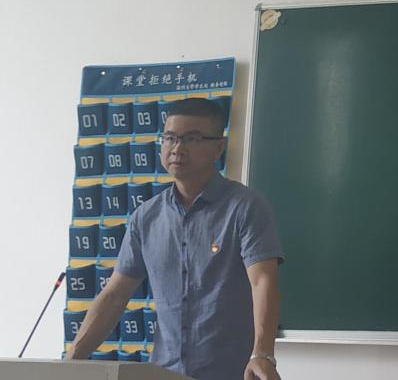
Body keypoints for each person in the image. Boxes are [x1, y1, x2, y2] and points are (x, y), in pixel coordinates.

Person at [66, 97, 284, 380]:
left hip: (231, 372)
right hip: (164, 372)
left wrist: (263, 354)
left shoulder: (244, 207)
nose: (177, 148)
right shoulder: (146, 217)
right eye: (170, 138)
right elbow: (115, 294)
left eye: (192, 139)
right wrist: (70, 362)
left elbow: (263, 281)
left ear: (218, 147)